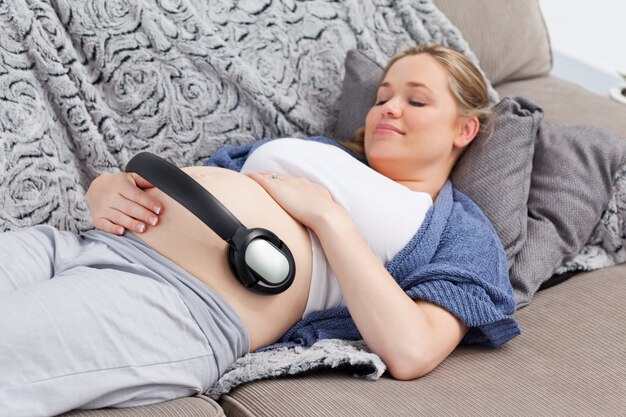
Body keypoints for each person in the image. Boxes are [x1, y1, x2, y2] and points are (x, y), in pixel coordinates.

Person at [0, 44, 520, 416]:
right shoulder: (324, 151)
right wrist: (107, 190)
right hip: (78, 243)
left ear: (464, 129)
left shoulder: (463, 232)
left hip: (177, 301)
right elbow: (201, 181)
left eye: (417, 99)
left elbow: (412, 351)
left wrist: (328, 218)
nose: (388, 106)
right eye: (383, 95)